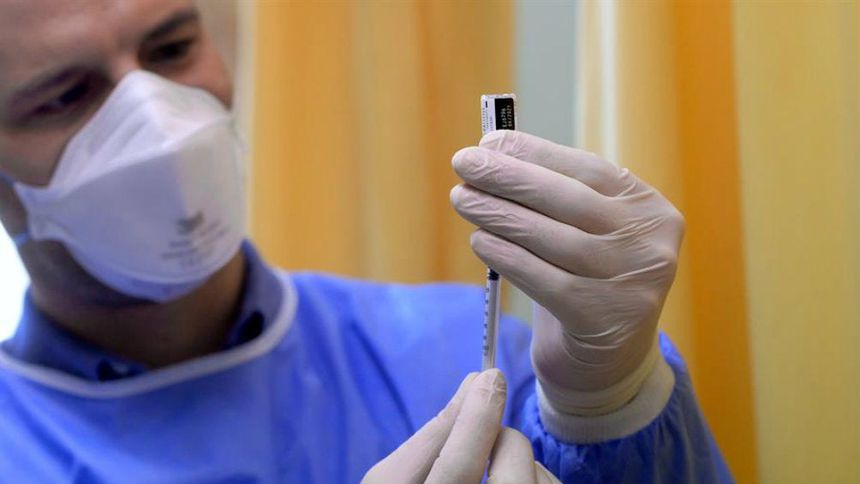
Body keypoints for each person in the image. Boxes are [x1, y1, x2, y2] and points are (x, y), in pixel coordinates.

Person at [0, 1, 731, 483]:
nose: (159, 127)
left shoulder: (464, 355)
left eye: (171, 48)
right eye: (64, 95)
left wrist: (612, 405)